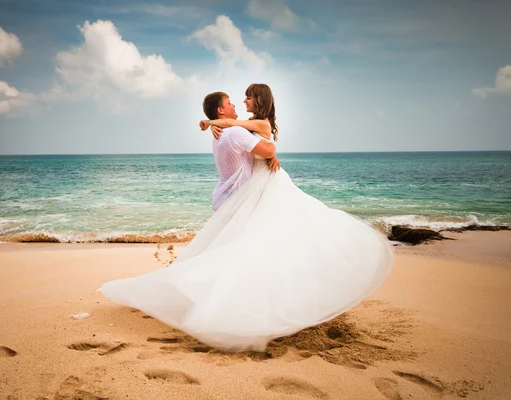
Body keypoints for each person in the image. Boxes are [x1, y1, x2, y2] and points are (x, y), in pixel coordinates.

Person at [99, 84, 394, 352]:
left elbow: (262, 142)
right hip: (254, 195)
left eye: (247, 97)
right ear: (221, 108)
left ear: (258, 100)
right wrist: (242, 138)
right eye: (233, 101)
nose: (241, 102)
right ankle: (245, 307)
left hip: (256, 193)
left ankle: (247, 305)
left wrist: (218, 125)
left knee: (256, 250)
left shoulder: (240, 127)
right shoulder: (236, 130)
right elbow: (263, 146)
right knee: (259, 250)